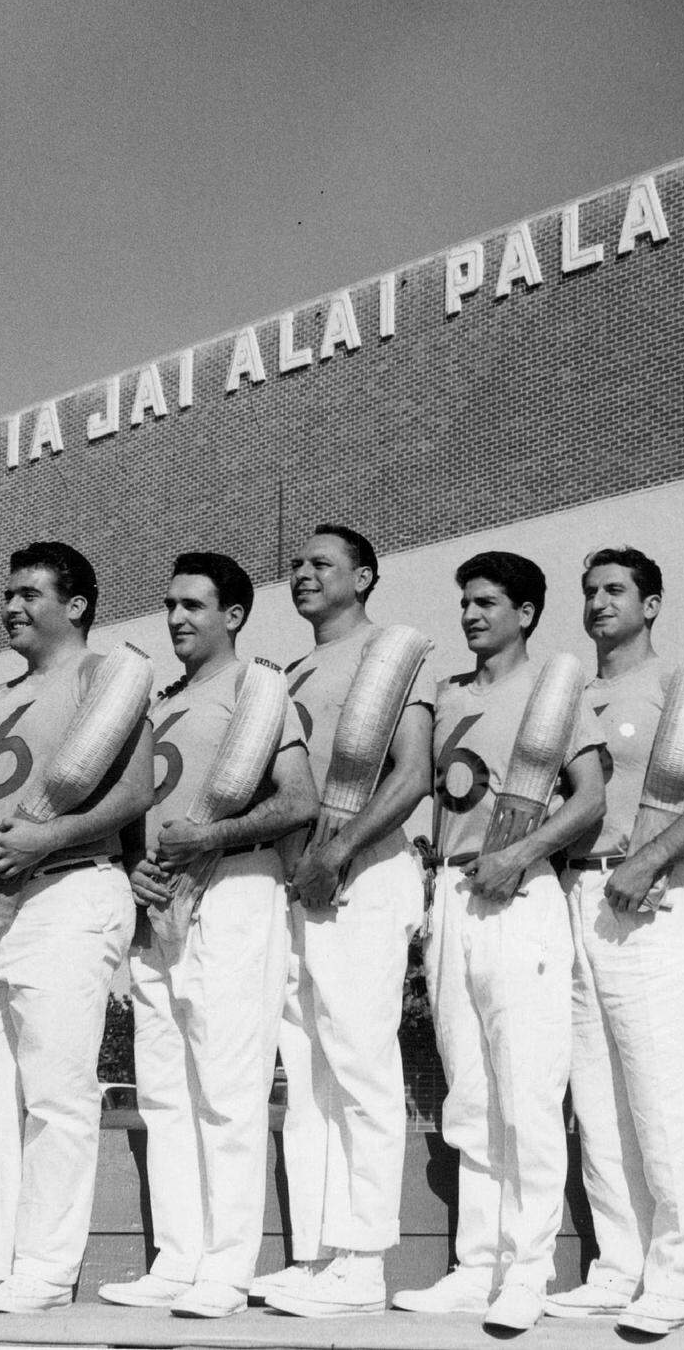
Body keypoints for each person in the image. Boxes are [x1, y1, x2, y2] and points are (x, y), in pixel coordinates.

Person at [0, 542, 151, 1314]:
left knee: (55, 1091)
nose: (10, 605)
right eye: (7, 593)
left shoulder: (104, 678)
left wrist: (46, 838)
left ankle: (45, 1266)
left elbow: (134, 790)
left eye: (28, 593)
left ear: (76, 604)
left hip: (72, 891)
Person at [99, 552, 317, 1319]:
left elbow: (299, 799)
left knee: (228, 1087)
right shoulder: (158, 703)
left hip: (236, 888)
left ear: (233, 615)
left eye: (193, 604)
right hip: (161, 905)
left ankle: (227, 1265)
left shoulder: (257, 692)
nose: (176, 617)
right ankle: (178, 1256)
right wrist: (131, 865)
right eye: (170, 604)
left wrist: (214, 835)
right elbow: (135, 810)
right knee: (164, 1090)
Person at [392, 551, 605, 1330]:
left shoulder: (553, 692)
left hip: (521, 893)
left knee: (526, 1089)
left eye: (487, 602)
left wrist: (520, 854)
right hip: (452, 894)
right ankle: (476, 1265)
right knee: (472, 1091)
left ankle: (528, 1269)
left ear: (526, 613)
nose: (472, 615)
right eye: (465, 603)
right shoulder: (448, 695)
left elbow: (590, 798)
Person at [546, 547, 684, 1336]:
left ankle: (673, 1278)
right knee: (597, 1100)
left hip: (656, 899)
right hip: (577, 894)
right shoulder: (573, 693)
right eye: (590, 591)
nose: (599, 602)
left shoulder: (676, 685)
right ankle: (618, 1267)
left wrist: (653, 856)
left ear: (651, 603)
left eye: (616, 590)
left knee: (664, 1096)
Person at [259, 524, 432, 1318]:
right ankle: (319, 1253)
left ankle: (364, 1260)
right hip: (302, 883)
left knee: (361, 1066)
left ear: (363, 576)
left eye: (321, 563)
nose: (302, 573)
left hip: (364, 873)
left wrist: (341, 849)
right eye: (296, 564)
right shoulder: (291, 670)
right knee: (308, 1075)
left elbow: (413, 772)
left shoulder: (388, 654)